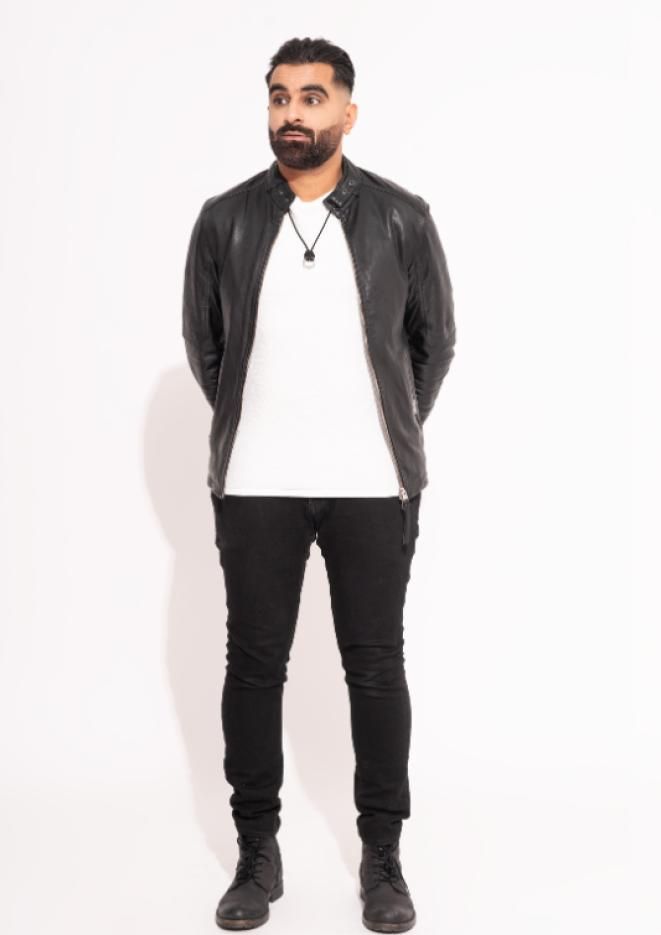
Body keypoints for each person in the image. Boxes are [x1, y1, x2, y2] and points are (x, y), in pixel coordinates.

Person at [182, 35, 456, 933]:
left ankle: (383, 856)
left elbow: (433, 342)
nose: (290, 114)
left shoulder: (400, 216)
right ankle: (256, 855)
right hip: (255, 481)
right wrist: (254, 425)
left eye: (309, 97)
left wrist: (385, 432)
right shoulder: (223, 220)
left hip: (372, 483)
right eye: (277, 97)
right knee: (253, 668)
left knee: (374, 668)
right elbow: (206, 349)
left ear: (346, 110)